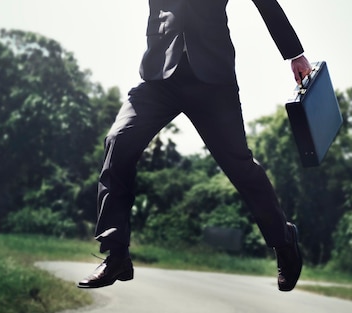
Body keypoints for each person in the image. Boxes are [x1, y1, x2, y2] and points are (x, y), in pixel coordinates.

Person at [77, 0, 312, 292]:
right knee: (118, 141)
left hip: (212, 79)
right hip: (160, 73)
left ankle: (283, 240)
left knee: (239, 165)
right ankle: (116, 254)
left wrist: (294, 54)